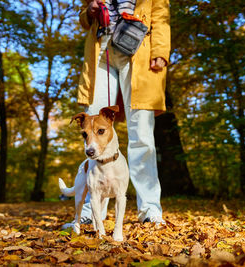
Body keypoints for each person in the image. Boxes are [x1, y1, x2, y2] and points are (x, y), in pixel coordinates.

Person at [64, 0, 170, 228]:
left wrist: (160, 50)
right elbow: (84, 19)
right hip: (101, 50)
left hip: (140, 49)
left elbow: (161, 15)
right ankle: (93, 212)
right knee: (93, 128)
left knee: (142, 134)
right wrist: (89, 12)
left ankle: (150, 209)